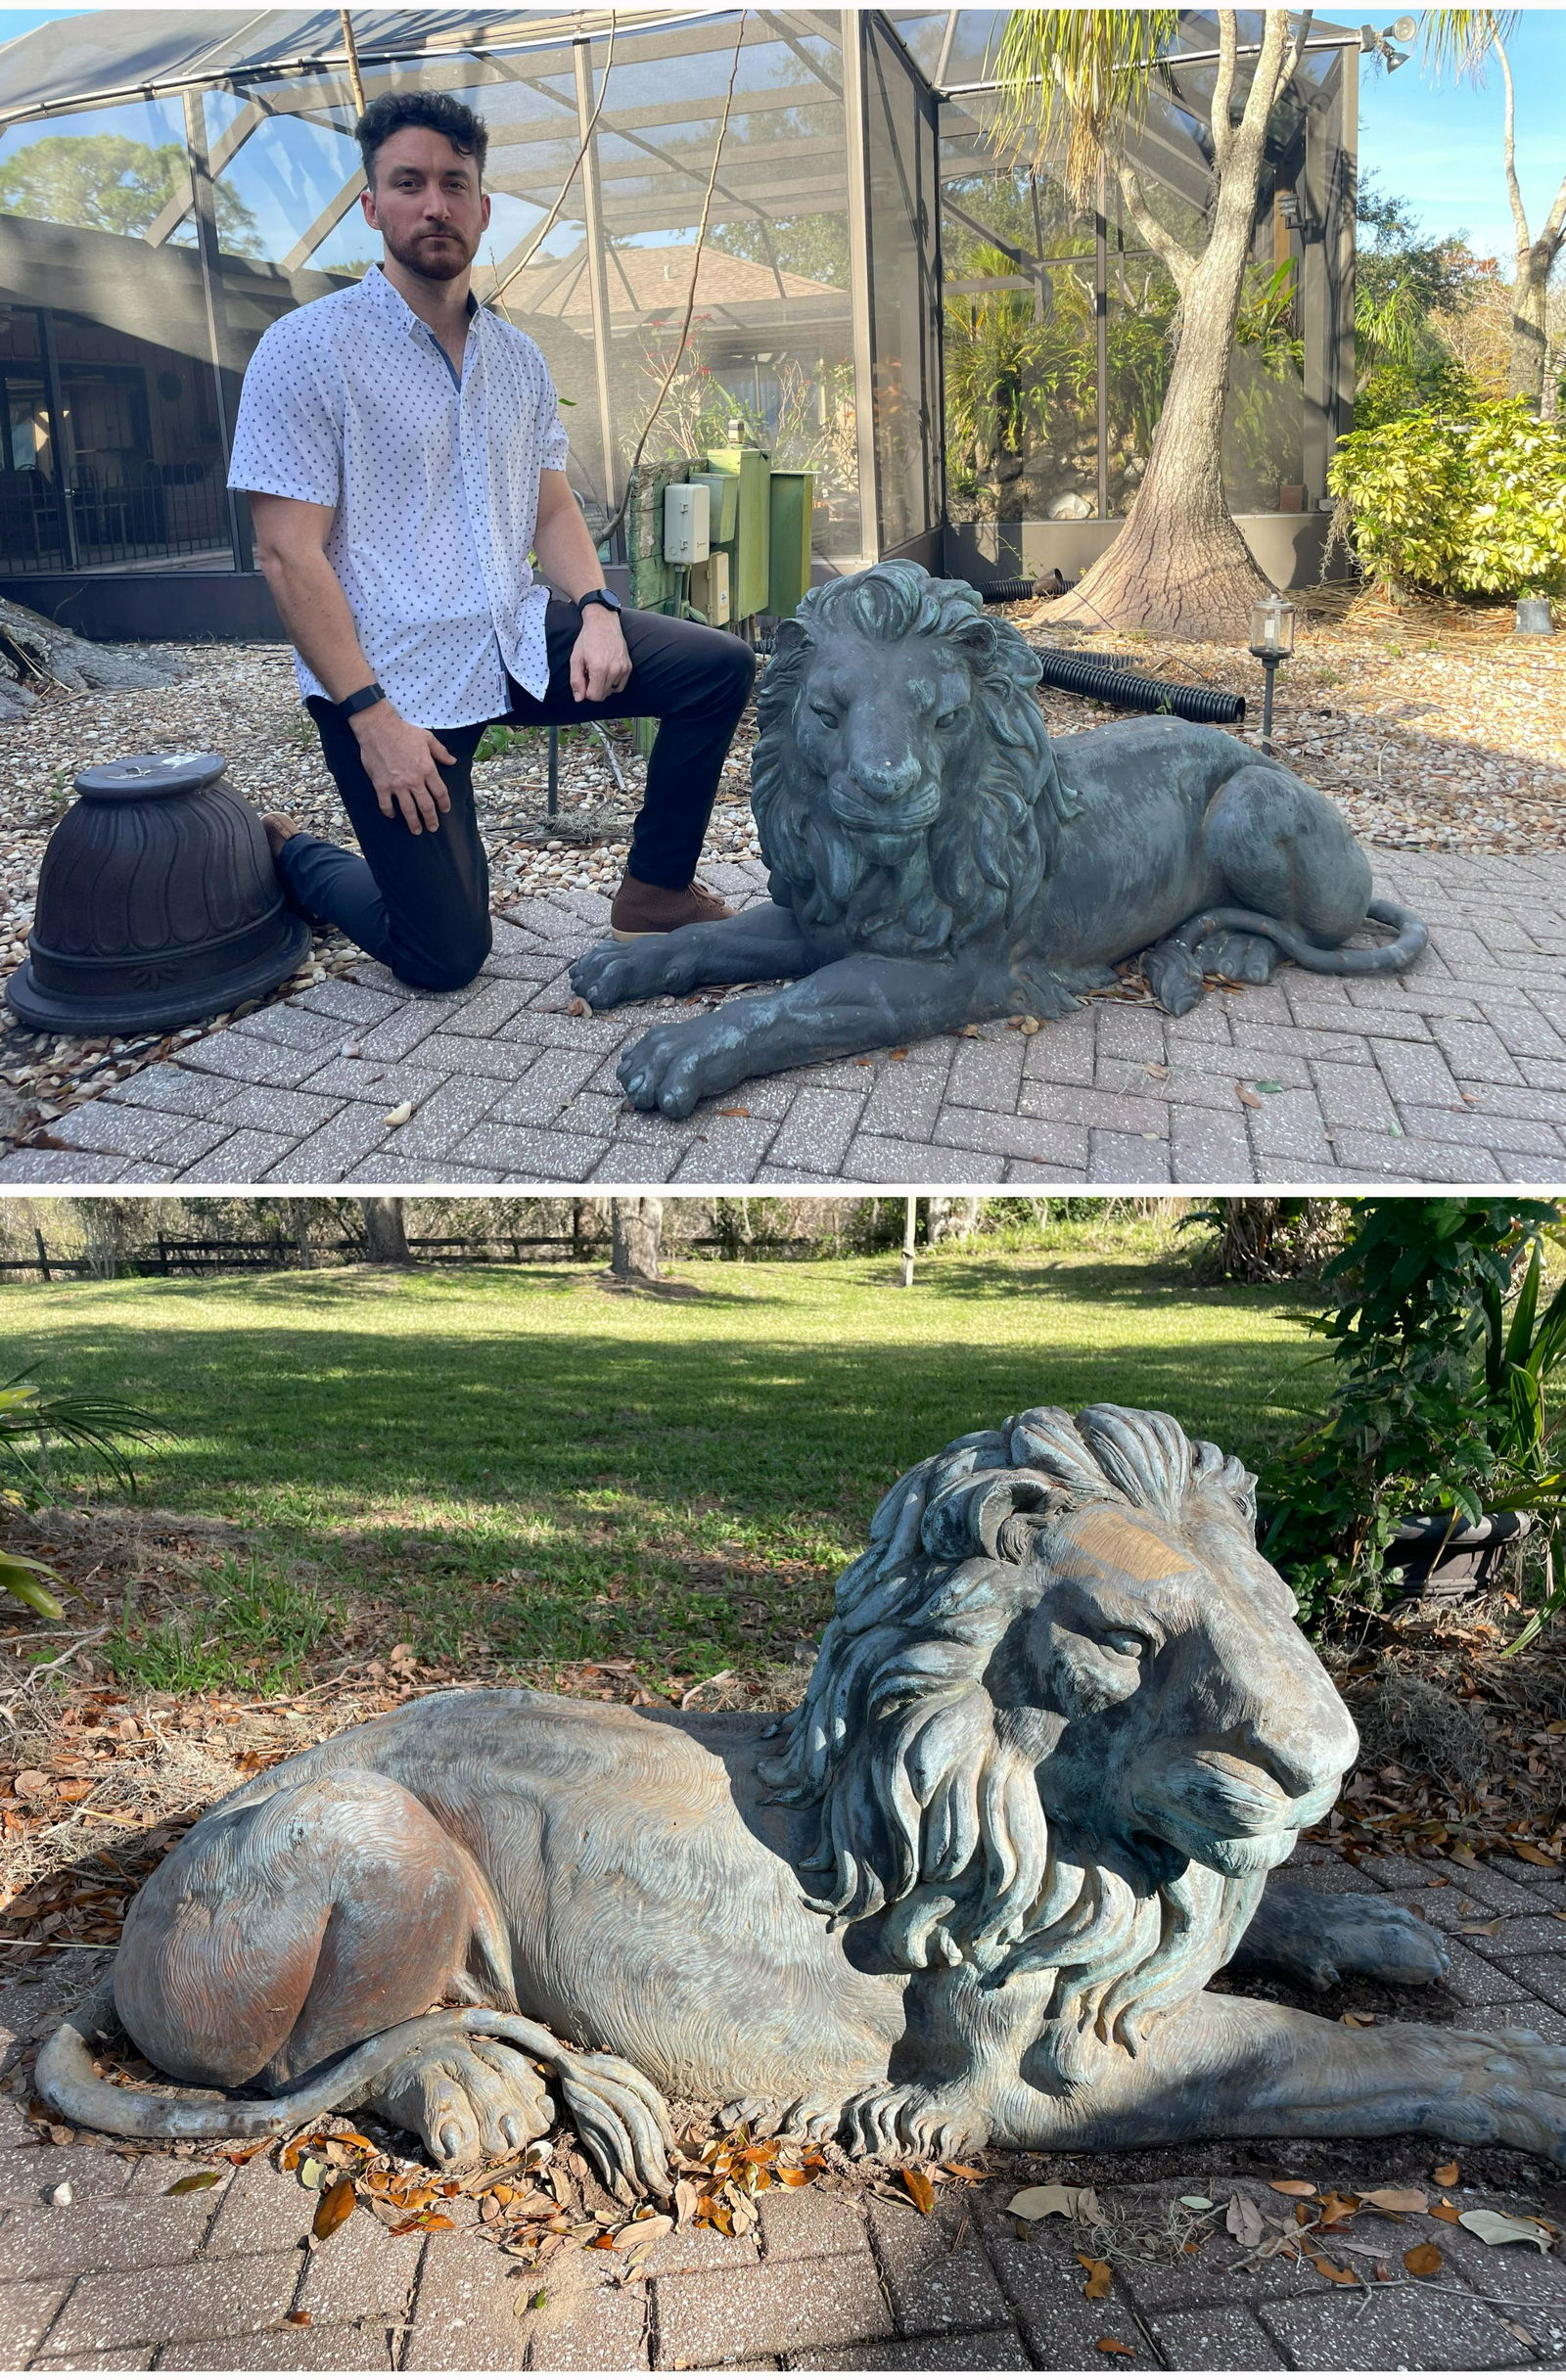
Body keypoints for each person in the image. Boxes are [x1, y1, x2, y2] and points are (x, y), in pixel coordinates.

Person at [227, 89, 756, 994]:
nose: (433, 203)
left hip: (508, 638)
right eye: (408, 183)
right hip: (391, 679)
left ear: (481, 207)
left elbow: (550, 510)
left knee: (715, 667)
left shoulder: (518, 358)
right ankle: (295, 855)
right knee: (444, 957)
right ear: (371, 207)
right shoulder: (307, 348)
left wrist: (595, 610)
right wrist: (370, 719)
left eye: (453, 183)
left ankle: (655, 891)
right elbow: (288, 553)